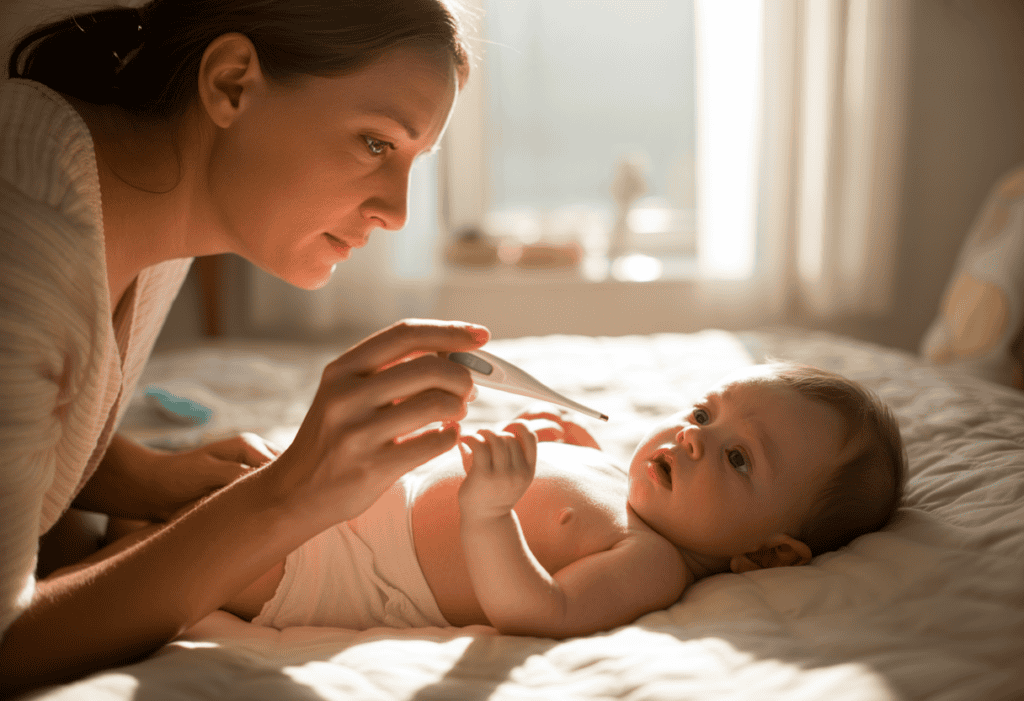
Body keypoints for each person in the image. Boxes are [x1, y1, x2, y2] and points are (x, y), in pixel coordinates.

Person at [0, 0, 486, 694]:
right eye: (376, 143)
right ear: (231, 82)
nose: (398, 212)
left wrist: (142, 474)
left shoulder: (139, 197)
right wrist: (287, 497)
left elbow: (39, 403)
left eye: (412, 161)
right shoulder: (24, 245)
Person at [93, 361, 902, 638]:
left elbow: (536, 610)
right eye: (702, 412)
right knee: (205, 480)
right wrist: (546, 440)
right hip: (351, 497)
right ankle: (89, 520)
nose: (690, 436)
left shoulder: (653, 563)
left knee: (164, 564)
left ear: (766, 552)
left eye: (733, 455)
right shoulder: (627, 480)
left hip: (331, 569)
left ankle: (72, 568)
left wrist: (490, 514)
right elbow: (543, 484)